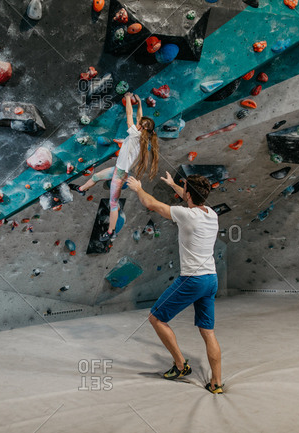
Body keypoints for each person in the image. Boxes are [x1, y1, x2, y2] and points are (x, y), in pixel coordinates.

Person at [126, 171, 223, 394]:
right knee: (208, 332)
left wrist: (138, 188)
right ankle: (216, 383)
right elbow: (193, 197)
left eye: (184, 190)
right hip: (211, 279)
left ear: (188, 194)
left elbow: (151, 203)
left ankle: (181, 365)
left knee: (156, 318)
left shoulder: (185, 214)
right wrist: (173, 185)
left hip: (192, 280)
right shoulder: (212, 214)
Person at [71, 92, 159, 242]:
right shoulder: (143, 136)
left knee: (113, 204)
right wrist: (139, 103)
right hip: (119, 170)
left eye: (139, 125)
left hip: (120, 174)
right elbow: (140, 118)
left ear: (141, 129)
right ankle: (81, 190)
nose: (137, 124)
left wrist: (127, 98)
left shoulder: (134, 135)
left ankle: (111, 232)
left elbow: (130, 115)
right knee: (96, 176)